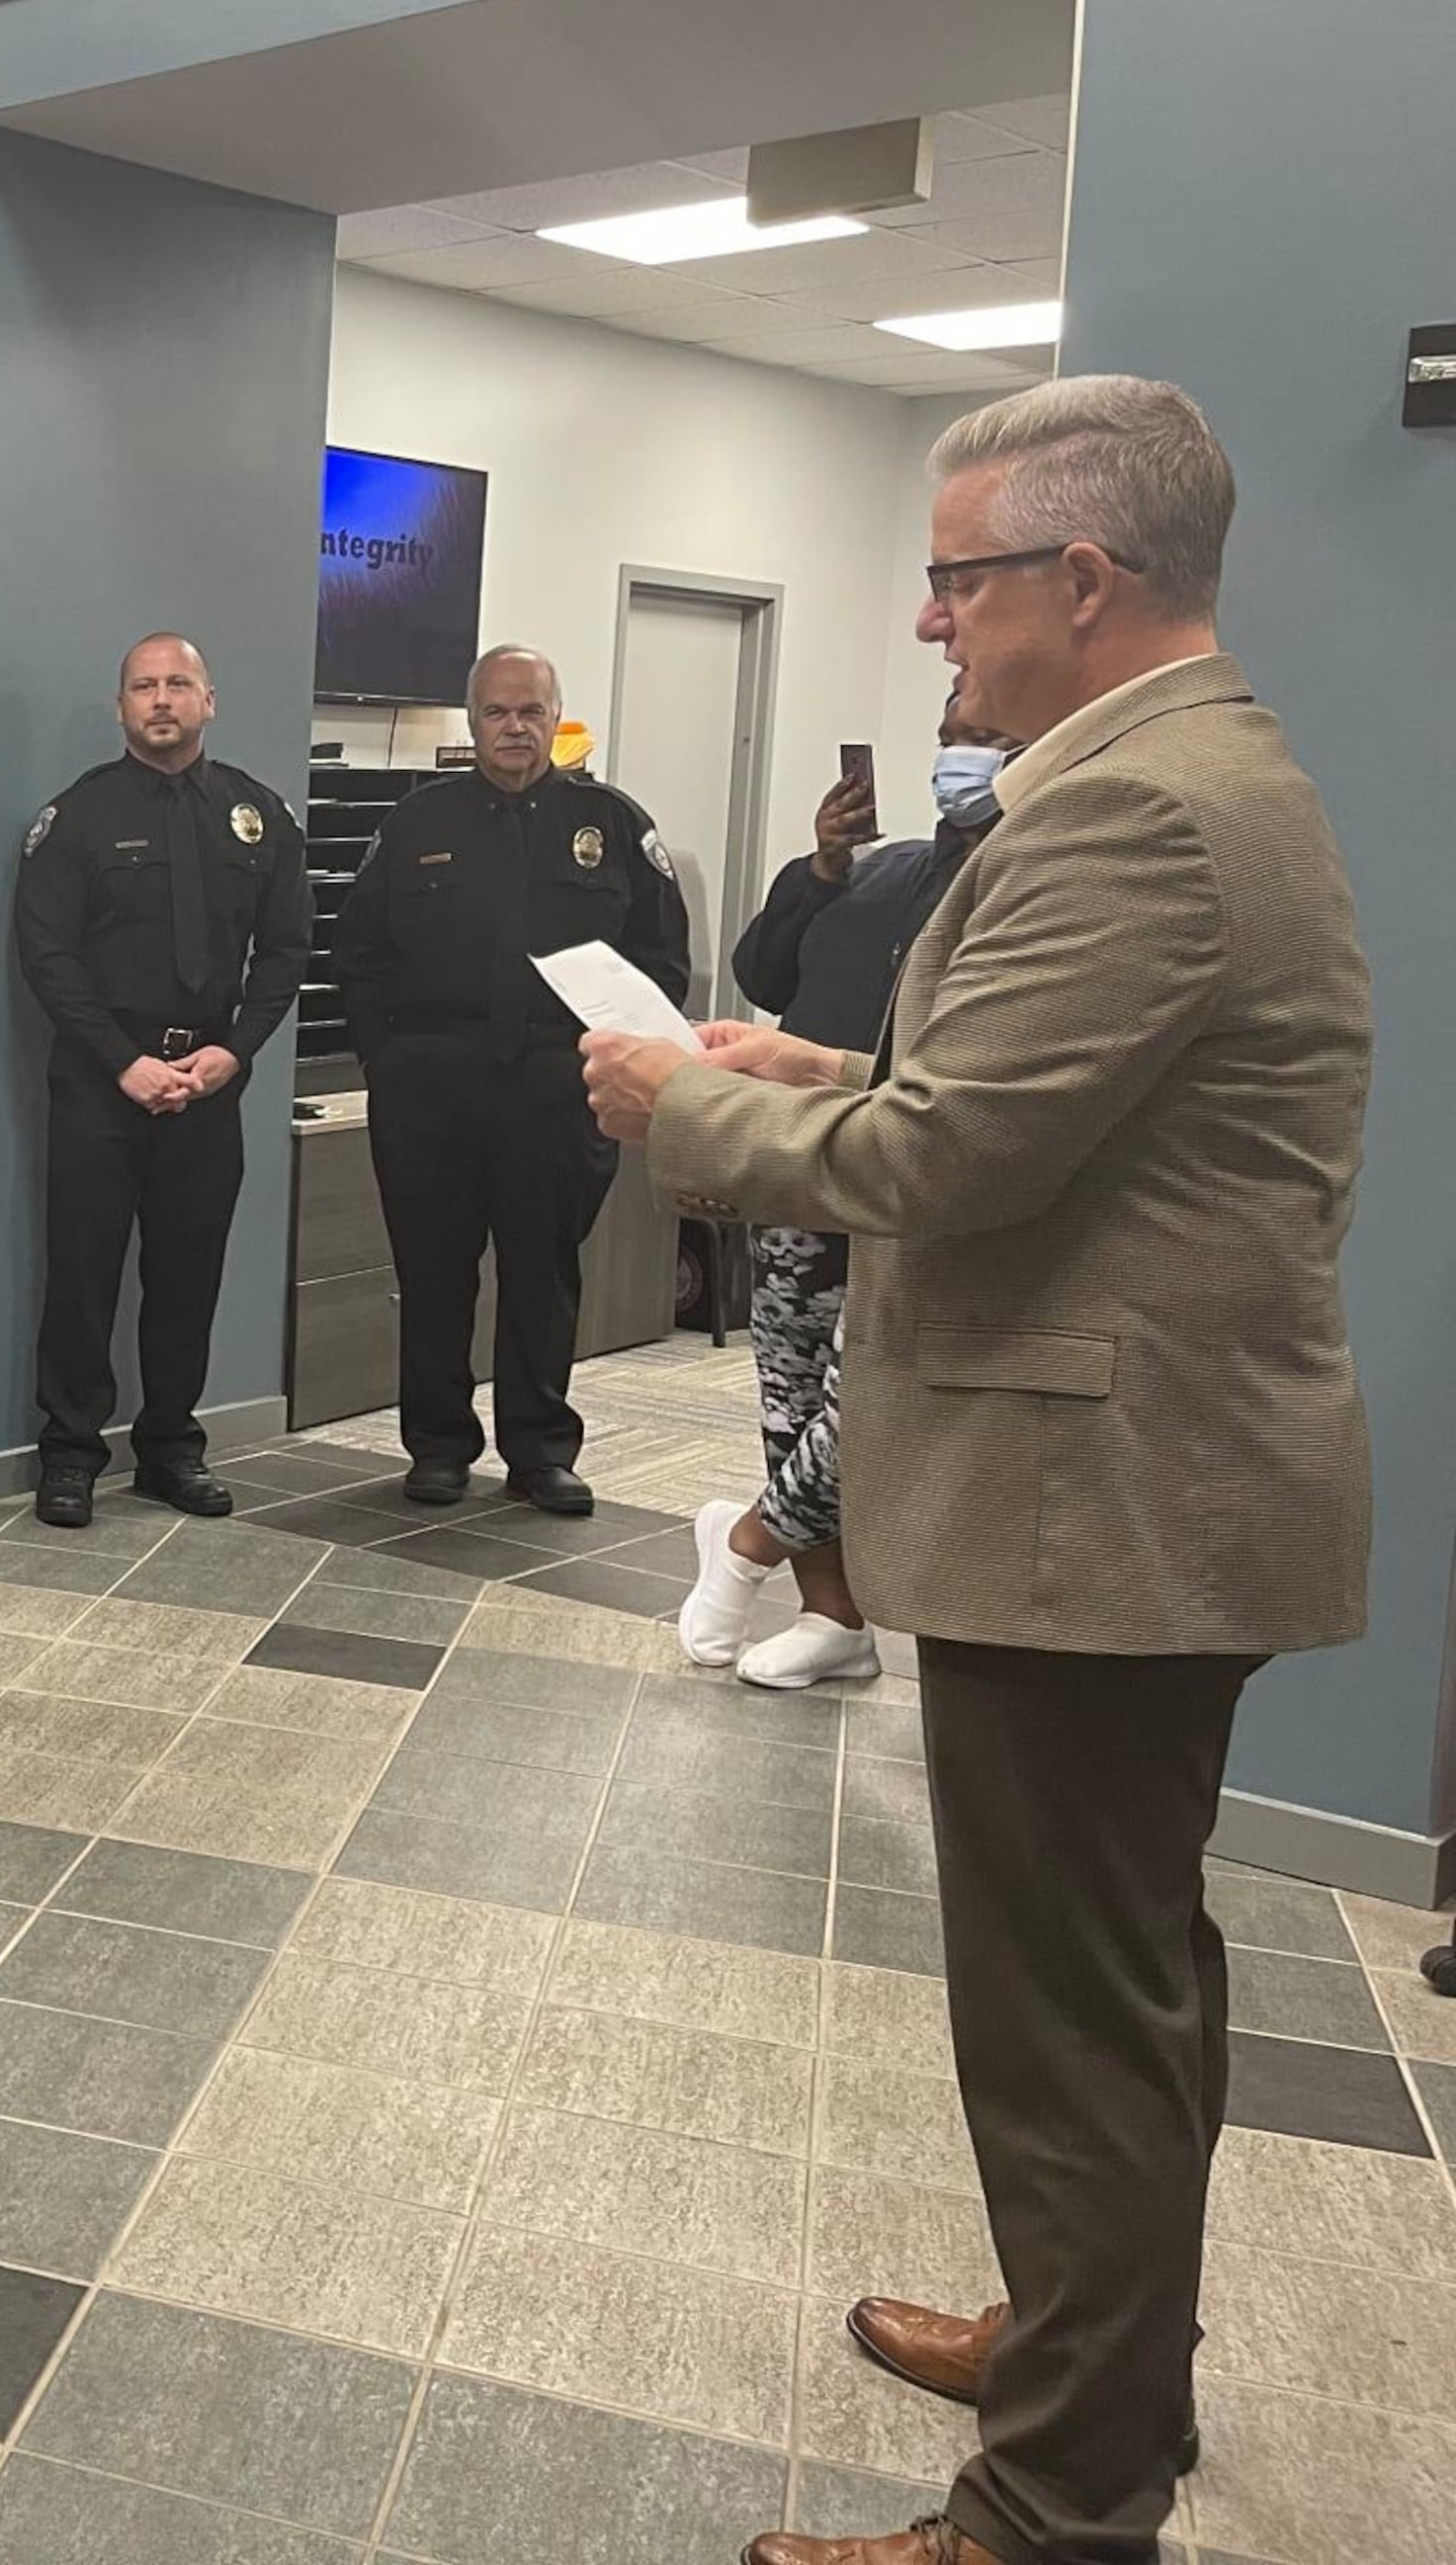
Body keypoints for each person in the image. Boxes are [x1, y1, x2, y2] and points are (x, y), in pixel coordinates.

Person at [581, 378, 1371, 2565]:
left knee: (1072, 2021)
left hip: (1100, 1507)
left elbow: (958, 1156)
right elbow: (1011, 1090)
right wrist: (810, 1059)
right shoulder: (1173, 774)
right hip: (1130, 1492)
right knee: (1122, 1985)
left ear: (1083, 580)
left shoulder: (1135, 809)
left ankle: (1057, 2503)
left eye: (958, 575)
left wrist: (682, 1110)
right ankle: (1097, 2363)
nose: (931, 622)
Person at [680, 704, 1016, 1689]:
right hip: (803, 1173)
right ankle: (834, 1616)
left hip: (908, 1185)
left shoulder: (1024, 885)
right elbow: (762, 970)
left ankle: (743, 1545)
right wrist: (822, 864)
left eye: (988, 735)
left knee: (861, 1399)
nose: (962, 750)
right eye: (953, 729)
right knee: (787, 1394)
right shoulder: (884, 872)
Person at [336, 643, 688, 1514]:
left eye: (532, 711)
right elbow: (360, 953)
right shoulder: (419, 823)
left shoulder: (609, 823)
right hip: (434, 1086)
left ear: (555, 718)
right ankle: (439, 1446)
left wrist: (613, 1068)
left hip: (556, 1085)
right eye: (497, 712)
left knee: (544, 1269)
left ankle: (539, 1449)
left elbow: (661, 965)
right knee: (434, 1271)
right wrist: (390, 1064)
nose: (515, 728)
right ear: (472, 720)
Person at [12, 635, 310, 1527]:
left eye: (179, 683)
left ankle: (172, 1448)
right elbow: (46, 955)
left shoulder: (259, 816)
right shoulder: (76, 819)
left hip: (210, 1080)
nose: (161, 699)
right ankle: (70, 1454)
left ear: (209, 700)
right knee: (83, 1274)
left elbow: (287, 950)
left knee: (190, 1275)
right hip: (104, 1080)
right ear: (121, 708)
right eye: (143, 686)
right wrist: (122, 1061)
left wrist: (237, 1051)